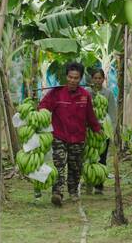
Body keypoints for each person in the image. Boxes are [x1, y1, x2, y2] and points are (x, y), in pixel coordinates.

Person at [38, 62, 102, 207]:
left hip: (78, 137)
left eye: (76, 78)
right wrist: (41, 111)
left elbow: (90, 116)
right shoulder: (56, 93)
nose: (73, 80)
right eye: (70, 77)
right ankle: (57, 193)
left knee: (75, 166)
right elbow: (43, 105)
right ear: (66, 77)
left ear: (80, 79)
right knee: (59, 165)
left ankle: (73, 191)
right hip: (59, 136)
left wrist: (97, 129)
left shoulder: (85, 95)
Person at [86, 68, 117, 195]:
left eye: (100, 78)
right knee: (88, 157)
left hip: (103, 131)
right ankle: (88, 181)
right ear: (91, 79)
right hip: (89, 130)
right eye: (95, 78)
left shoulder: (108, 94)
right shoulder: (87, 92)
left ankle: (99, 185)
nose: (98, 81)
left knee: (102, 157)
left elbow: (112, 113)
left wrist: (110, 132)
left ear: (103, 79)